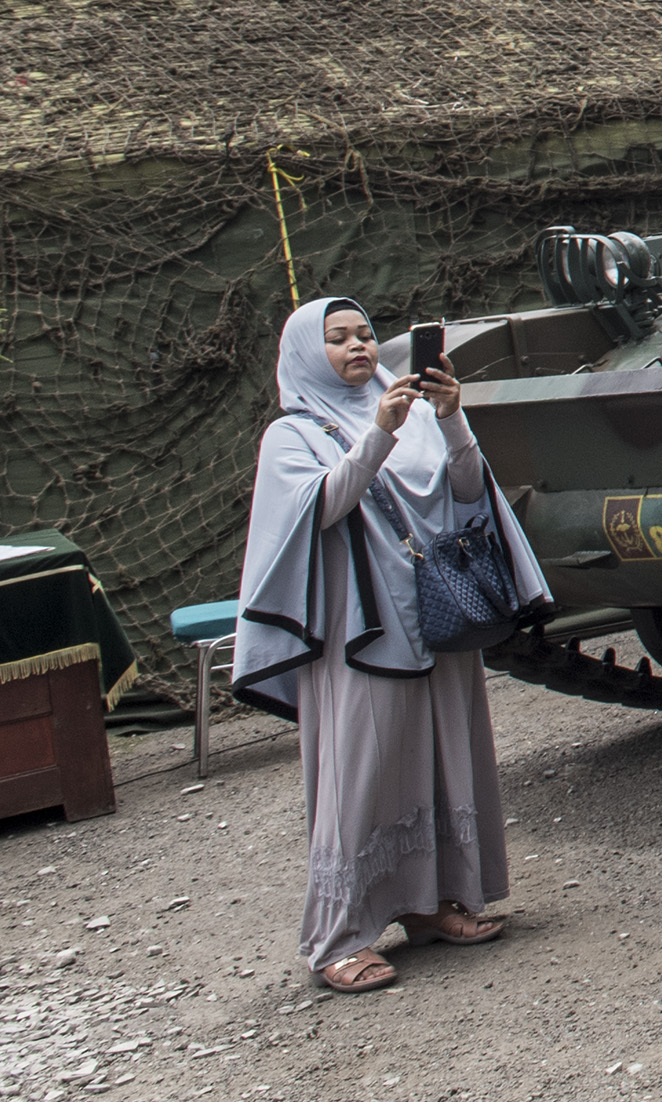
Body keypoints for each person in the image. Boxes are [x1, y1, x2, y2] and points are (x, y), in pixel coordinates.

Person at [232, 296, 554, 995]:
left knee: (446, 760)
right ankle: (335, 940)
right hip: (358, 629)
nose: (358, 348)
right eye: (338, 339)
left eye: (366, 335)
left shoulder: (410, 415)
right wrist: (378, 435)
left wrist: (450, 419)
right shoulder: (293, 436)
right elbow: (323, 506)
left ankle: (434, 906)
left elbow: (468, 495)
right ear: (306, 355)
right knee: (361, 774)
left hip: (438, 618)